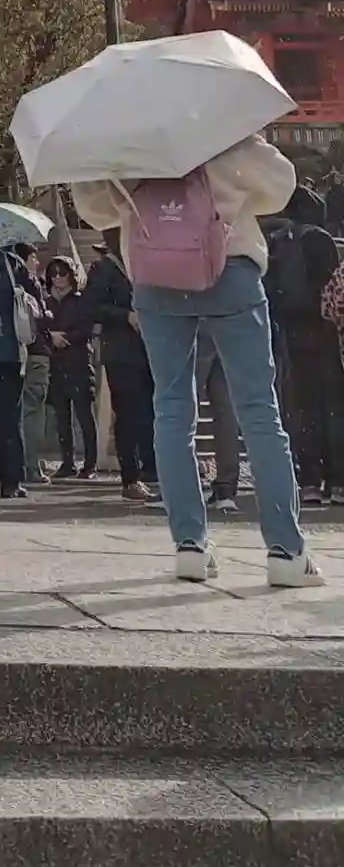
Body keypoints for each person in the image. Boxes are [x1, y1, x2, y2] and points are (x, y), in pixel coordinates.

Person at [75, 133, 322, 587]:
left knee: (172, 407)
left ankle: (189, 544)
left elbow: (93, 208)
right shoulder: (220, 125)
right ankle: (286, 550)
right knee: (258, 408)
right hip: (230, 264)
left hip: (155, 271)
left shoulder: (124, 132)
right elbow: (280, 185)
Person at [264, 187, 344, 507]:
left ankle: (308, 478)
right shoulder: (321, 240)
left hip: (291, 332)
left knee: (302, 407)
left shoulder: (279, 240)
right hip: (324, 333)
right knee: (333, 407)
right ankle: (337, 480)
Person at [81, 230, 156, 502]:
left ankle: (153, 469)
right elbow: (90, 308)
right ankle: (131, 477)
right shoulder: (104, 269)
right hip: (121, 350)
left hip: (152, 348)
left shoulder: (148, 263)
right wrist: (125, 316)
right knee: (128, 414)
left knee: (153, 412)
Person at [0, 240, 38, 500]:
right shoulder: (14, 263)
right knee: (8, 419)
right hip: (9, 350)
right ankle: (11, 481)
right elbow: (35, 301)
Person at [44, 254, 98, 481]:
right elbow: (40, 327)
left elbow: (86, 328)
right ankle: (67, 463)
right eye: (53, 274)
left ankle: (90, 464)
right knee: (61, 417)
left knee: (84, 415)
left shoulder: (80, 301)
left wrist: (64, 338)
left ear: (71, 275)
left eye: (62, 273)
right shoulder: (46, 302)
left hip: (78, 362)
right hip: (56, 364)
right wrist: (51, 337)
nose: (58, 277)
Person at [19, 247, 54, 487]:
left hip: (11, 352)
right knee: (32, 411)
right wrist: (48, 314)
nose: (37, 261)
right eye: (32, 257)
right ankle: (30, 465)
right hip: (35, 351)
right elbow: (40, 317)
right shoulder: (30, 282)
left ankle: (12, 463)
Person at [197, 329, 241, 513]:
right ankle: (226, 490)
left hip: (192, 326)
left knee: (181, 406)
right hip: (229, 329)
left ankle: (178, 486)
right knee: (226, 411)